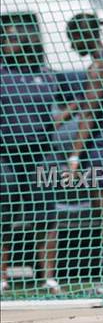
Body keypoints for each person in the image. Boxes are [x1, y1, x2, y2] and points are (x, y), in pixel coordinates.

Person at [54, 13, 103, 292]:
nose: (71, 45)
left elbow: (90, 112)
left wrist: (74, 156)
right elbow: (89, 97)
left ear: (83, 36)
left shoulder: (98, 66)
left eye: (72, 39)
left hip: (100, 146)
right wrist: (62, 116)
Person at [1, 18, 60, 294]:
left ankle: (48, 278)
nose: (5, 44)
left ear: (26, 42)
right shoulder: (2, 73)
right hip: (7, 159)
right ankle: (3, 278)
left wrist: (57, 122)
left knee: (46, 217)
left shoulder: (46, 75)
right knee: (5, 217)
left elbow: (71, 105)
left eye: (11, 39)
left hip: (40, 157)